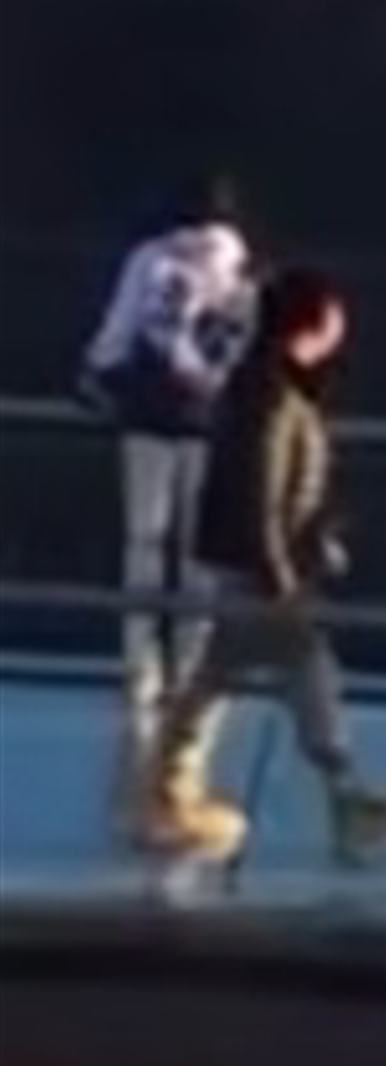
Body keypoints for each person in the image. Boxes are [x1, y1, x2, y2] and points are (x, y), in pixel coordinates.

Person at [131, 269, 386, 872]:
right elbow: (259, 490)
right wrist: (279, 572)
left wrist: (310, 540)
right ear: (311, 324)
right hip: (259, 569)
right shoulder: (269, 396)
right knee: (297, 668)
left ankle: (168, 795)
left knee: (228, 676)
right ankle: (345, 801)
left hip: (255, 565)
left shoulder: (268, 389)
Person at [77, 181, 258, 726]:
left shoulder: (151, 261)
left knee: (145, 541)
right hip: (212, 425)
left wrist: (97, 373)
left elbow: (119, 332)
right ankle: (193, 667)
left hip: (150, 418)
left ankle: (140, 664)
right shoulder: (244, 272)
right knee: (201, 550)